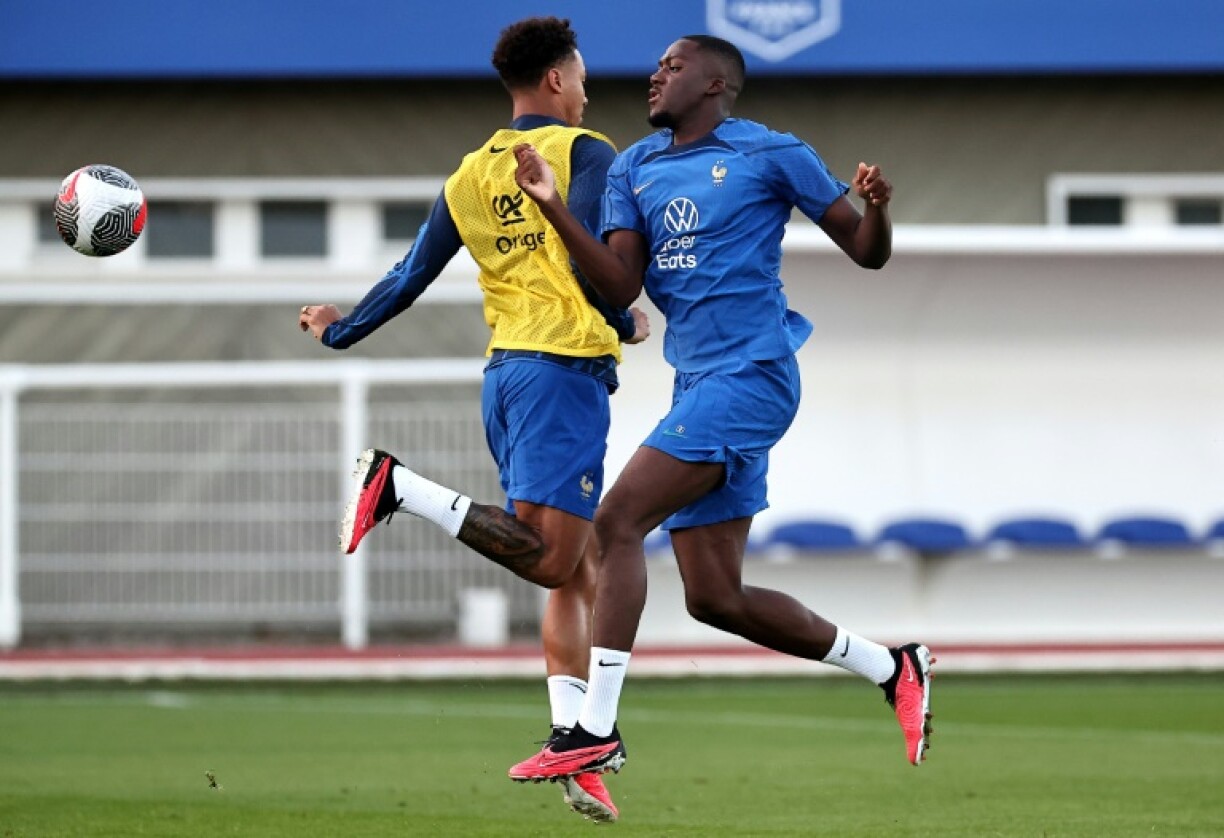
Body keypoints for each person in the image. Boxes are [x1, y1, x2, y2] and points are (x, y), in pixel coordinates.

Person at [505, 34, 934, 793]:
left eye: (672, 67)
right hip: (697, 385)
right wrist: (550, 209)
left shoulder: (770, 153)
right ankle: (891, 667)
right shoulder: (633, 167)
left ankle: (592, 734)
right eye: (657, 65)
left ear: (714, 83)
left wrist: (878, 208)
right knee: (715, 598)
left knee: (616, 523)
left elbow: (866, 251)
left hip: (754, 376)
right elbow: (617, 283)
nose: (653, 75)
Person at [298, 16, 649, 824]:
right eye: (583, 75)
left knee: (576, 567)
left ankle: (577, 744)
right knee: (555, 559)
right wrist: (624, 320)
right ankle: (401, 488)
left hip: (507, 375)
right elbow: (598, 262)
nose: (588, 88)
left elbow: (409, 274)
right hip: (562, 371)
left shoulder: (467, 175)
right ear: (558, 80)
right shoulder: (583, 151)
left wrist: (340, 330)